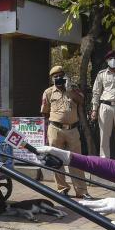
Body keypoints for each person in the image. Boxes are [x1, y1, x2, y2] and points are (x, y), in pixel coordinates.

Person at [41, 65, 90, 199]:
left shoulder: (73, 89)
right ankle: (62, 189)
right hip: (55, 129)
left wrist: (70, 90)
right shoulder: (48, 92)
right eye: (55, 77)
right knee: (56, 161)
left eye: (60, 76)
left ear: (65, 76)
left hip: (73, 130)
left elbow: (82, 100)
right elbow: (45, 112)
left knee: (76, 161)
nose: (58, 79)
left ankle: (82, 191)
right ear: (52, 79)